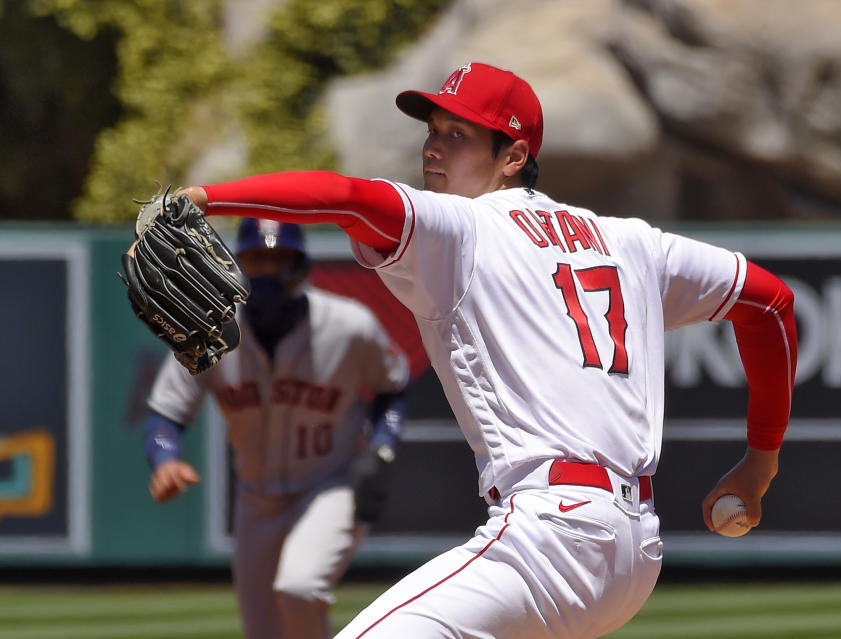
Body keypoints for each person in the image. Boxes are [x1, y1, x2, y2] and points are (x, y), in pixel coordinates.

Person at [171, 62, 797, 638]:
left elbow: (346, 196)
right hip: (633, 551)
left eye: (459, 134)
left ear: (514, 154)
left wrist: (201, 199)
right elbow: (771, 303)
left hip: (552, 534)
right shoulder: (631, 242)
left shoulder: (461, 226)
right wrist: (760, 465)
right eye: (432, 130)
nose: (433, 146)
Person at [141, 218, 409, 639]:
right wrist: (164, 458)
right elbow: (166, 415)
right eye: (255, 259)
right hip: (256, 498)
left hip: (328, 485)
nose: (267, 270)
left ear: (301, 265)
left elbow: (393, 387)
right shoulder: (205, 333)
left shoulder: (348, 326)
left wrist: (383, 449)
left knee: (299, 587)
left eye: (279, 258)